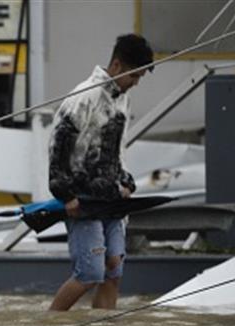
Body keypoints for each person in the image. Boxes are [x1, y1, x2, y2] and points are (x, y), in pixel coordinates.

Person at [47, 34, 153, 311]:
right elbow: (58, 146)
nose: (137, 83)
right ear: (117, 65)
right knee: (90, 273)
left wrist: (126, 181)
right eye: (135, 75)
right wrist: (65, 194)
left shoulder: (123, 100)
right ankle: (47, 325)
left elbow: (119, 150)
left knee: (114, 270)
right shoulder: (84, 96)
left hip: (113, 198)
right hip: (82, 199)